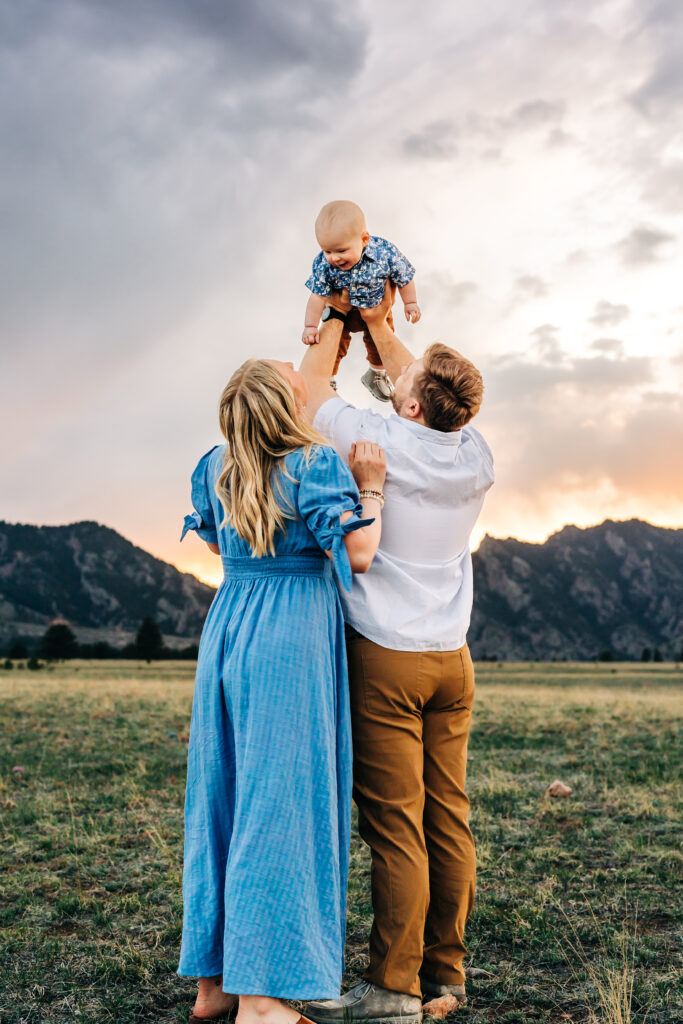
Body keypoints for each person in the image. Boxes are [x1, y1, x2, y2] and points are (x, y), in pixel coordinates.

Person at [298, 287, 494, 1024]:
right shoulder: (473, 450)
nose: (393, 375)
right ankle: (447, 974)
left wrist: (338, 322)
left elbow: (305, 389)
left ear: (411, 407)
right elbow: (424, 374)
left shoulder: (374, 435)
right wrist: (378, 323)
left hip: (385, 657)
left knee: (395, 826)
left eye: (403, 384)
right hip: (452, 660)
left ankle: (390, 988)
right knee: (448, 817)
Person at [177, 358, 386, 1024]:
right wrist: (372, 492)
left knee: (223, 795)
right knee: (279, 806)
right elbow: (356, 554)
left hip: (230, 624)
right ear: (284, 405)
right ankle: (263, 1001)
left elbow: (220, 544)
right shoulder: (312, 464)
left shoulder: (214, 466)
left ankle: (213, 985)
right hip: (290, 632)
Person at [302, 200, 421, 402]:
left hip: (376, 307)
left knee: (379, 342)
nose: (333, 258)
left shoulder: (385, 253)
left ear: (364, 239)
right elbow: (316, 296)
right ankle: (327, 378)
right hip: (343, 313)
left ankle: (376, 373)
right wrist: (310, 326)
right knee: (334, 344)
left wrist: (410, 303)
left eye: (341, 251)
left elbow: (405, 276)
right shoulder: (323, 264)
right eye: (327, 251)